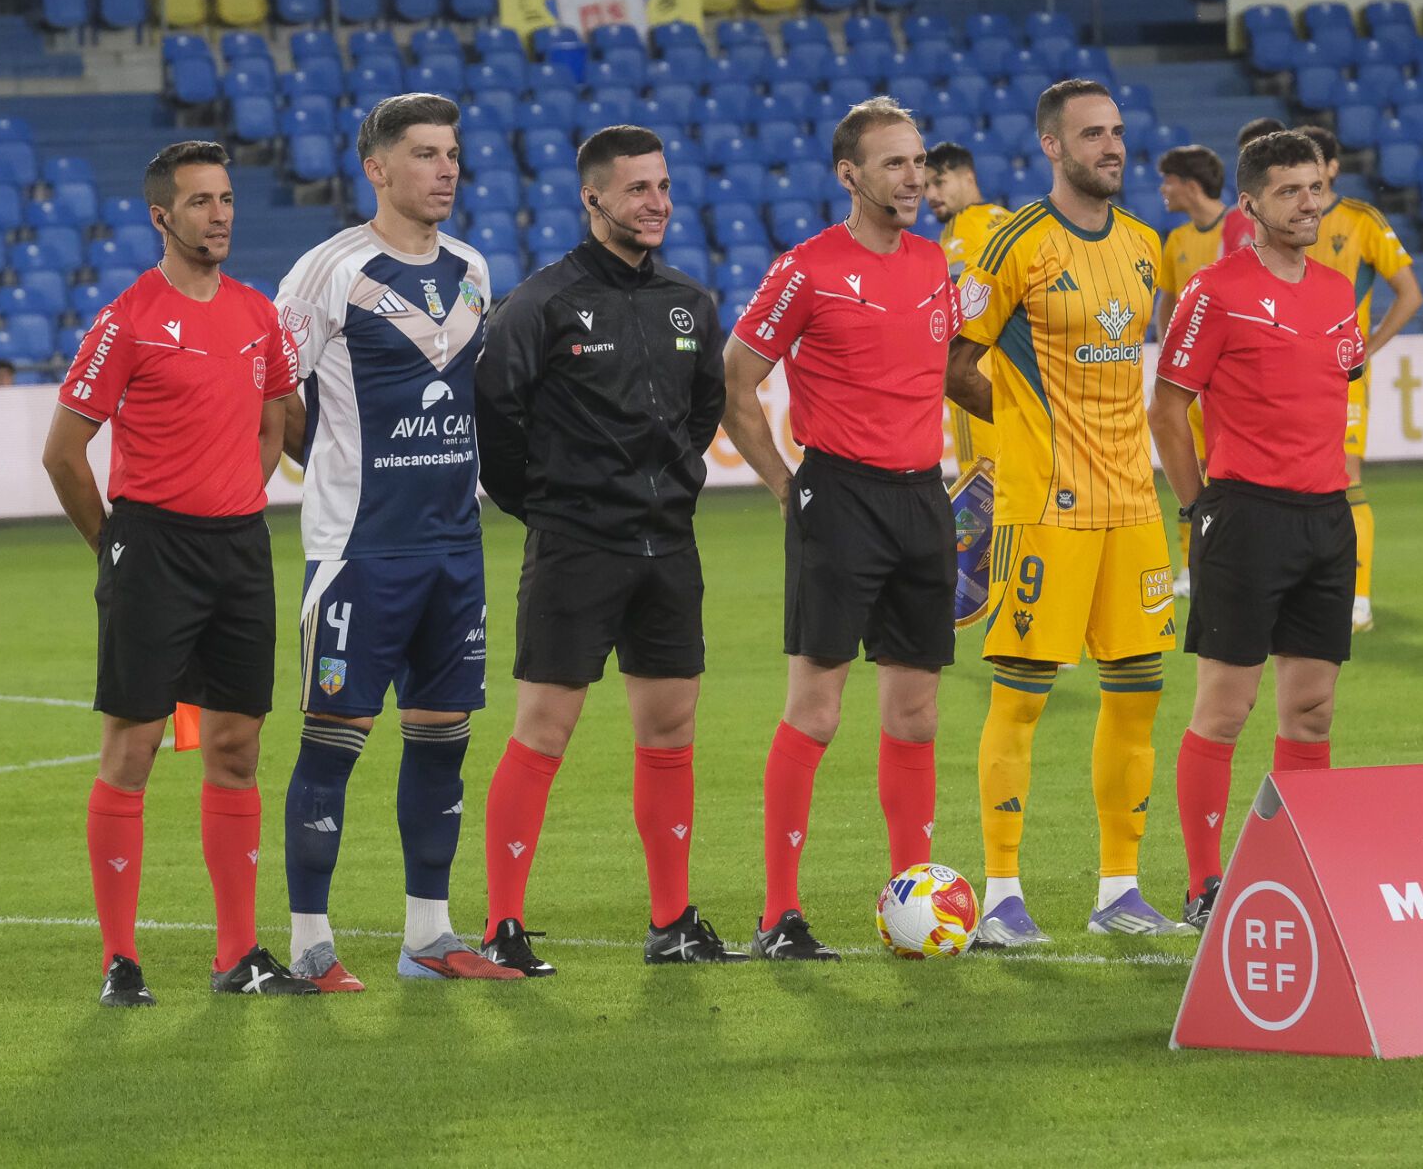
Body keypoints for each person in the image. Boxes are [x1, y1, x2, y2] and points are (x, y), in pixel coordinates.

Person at [42, 140, 317, 1004]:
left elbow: (280, 417)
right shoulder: (128, 318)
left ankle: (238, 955)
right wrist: (114, 550)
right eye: (201, 202)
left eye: (227, 198)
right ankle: (119, 960)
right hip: (151, 546)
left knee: (236, 747)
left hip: (239, 547)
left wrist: (244, 484)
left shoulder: (256, 312)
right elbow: (63, 454)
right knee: (136, 747)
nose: (221, 214)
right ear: (162, 216)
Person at [473, 125, 738, 975]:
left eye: (662, 186)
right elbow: (497, 425)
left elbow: (703, 415)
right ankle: (502, 927)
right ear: (593, 200)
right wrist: (553, 506)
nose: (656, 203)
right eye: (637, 190)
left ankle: (673, 922)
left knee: (670, 730)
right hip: (576, 548)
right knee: (544, 731)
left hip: (669, 547)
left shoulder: (691, 303)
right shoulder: (539, 305)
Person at [272, 94, 520, 990]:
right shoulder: (326, 272)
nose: (445, 169)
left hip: (455, 550)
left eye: (452, 152)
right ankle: (309, 945)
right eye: (424, 154)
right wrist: (335, 462)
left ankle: (429, 938)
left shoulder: (471, 267)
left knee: (442, 737)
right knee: (333, 741)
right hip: (359, 551)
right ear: (376, 168)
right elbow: (277, 395)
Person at [944, 79, 1189, 946]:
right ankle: (1003, 895)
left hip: (1134, 507)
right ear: (1052, 146)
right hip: (1044, 506)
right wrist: (1017, 431)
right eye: (1093, 135)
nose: (1112, 148)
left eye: (1118, 132)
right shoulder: (1015, 243)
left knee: (1139, 696)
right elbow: (955, 359)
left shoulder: (1144, 245)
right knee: (1022, 698)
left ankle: (1119, 890)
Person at [723, 96, 960, 962]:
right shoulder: (806, 269)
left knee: (918, 711)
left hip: (922, 499)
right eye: (895, 163)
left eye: (920, 161)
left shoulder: (935, 263)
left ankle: (915, 906)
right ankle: (778, 914)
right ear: (849, 176)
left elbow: (951, 369)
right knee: (816, 710)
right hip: (841, 496)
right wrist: (789, 486)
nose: (913, 177)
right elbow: (736, 382)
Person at [1148, 130, 1364, 931]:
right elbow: (1167, 409)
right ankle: (1205, 886)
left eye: (1315, 188)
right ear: (1250, 204)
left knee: (1310, 712)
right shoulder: (1215, 290)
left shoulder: (1339, 290)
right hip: (1243, 516)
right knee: (1226, 709)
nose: (1309, 203)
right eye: (1289, 192)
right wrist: (1198, 506)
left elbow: (1330, 386)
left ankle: (1299, 867)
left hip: (1325, 518)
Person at [1293, 124, 1423, 632]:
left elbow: (1409, 294)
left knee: (1345, 481)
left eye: (1314, 164)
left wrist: (1366, 350)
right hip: (1283, 377)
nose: (1306, 177)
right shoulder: (1282, 221)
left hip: (1338, 378)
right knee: (1295, 487)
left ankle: (1358, 599)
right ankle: (1309, 591)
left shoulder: (1361, 220)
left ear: (1331, 168)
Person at [1155, 144, 1229, 598]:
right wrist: (1169, 354)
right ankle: (1189, 565)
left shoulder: (1239, 231)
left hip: (1227, 382)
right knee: (1184, 465)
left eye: (1169, 180)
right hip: (1188, 381)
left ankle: (1228, 556)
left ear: (1190, 185)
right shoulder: (1178, 240)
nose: (1162, 189)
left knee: (1222, 470)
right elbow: (1167, 300)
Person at [924, 141, 1012, 475]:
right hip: (1015, 374)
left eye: (939, 182)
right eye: (926, 186)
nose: (930, 194)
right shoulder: (1008, 219)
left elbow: (958, 304)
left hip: (974, 368)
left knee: (980, 488)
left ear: (968, 178)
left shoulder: (961, 228)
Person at [1218, 116, 1284, 254]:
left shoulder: (1305, 211)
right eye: (1245, 156)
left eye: (1258, 155)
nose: (1250, 163)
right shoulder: (1233, 218)